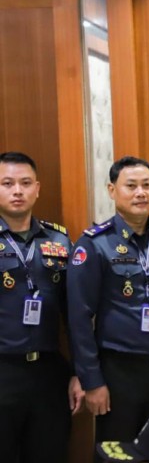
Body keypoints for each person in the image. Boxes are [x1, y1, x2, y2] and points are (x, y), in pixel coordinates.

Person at [67, 156, 149, 452]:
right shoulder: (95, 243)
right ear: (112, 190)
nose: (140, 193)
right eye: (131, 186)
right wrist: (92, 380)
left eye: (147, 185)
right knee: (118, 453)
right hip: (118, 373)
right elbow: (79, 318)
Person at [0, 151, 84, 462]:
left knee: (50, 453)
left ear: (37, 188)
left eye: (25, 183)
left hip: (49, 373)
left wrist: (79, 373)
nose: (17, 191)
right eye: (7, 183)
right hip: (3, 370)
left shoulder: (58, 240)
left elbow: (74, 314)